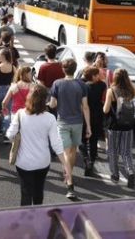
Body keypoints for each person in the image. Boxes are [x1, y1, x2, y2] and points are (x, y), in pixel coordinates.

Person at [6, 85, 70, 206]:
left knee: (26, 193)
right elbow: (56, 144)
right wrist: (65, 165)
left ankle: (26, 221)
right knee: (38, 191)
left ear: (29, 98)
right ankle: (38, 216)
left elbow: (9, 135)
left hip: (23, 162)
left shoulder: (20, 114)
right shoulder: (50, 118)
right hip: (42, 161)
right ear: (45, 100)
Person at [48, 58, 90, 200]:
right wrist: (88, 126)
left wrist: (49, 102)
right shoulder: (81, 85)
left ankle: (69, 181)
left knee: (66, 153)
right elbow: (85, 106)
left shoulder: (57, 84)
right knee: (72, 151)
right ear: (75, 69)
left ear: (63, 69)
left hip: (63, 122)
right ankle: (69, 175)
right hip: (78, 122)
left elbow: (53, 105)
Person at [103, 68, 135, 188]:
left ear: (115, 78)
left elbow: (105, 110)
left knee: (113, 151)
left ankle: (115, 175)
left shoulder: (111, 91)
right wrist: (130, 82)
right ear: (126, 78)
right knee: (126, 152)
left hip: (114, 126)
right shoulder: (130, 91)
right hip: (128, 126)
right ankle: (130, 171)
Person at [81, 66, 107, 177]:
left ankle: (85, 158)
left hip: (84, 116)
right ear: (93, 76)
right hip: (97, 116)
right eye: (97, 74)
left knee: (82, 140)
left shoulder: (83, 87)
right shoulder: (102, 85)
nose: (99, 76)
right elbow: (103, 98)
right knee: (93, 140)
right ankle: (91, 162)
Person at [0, 48, 16, 134]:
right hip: (9, 90)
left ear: (3, 56)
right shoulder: (13, 67)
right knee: (8, 111)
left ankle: (0, 129)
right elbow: (14, 82)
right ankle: (7, 130)